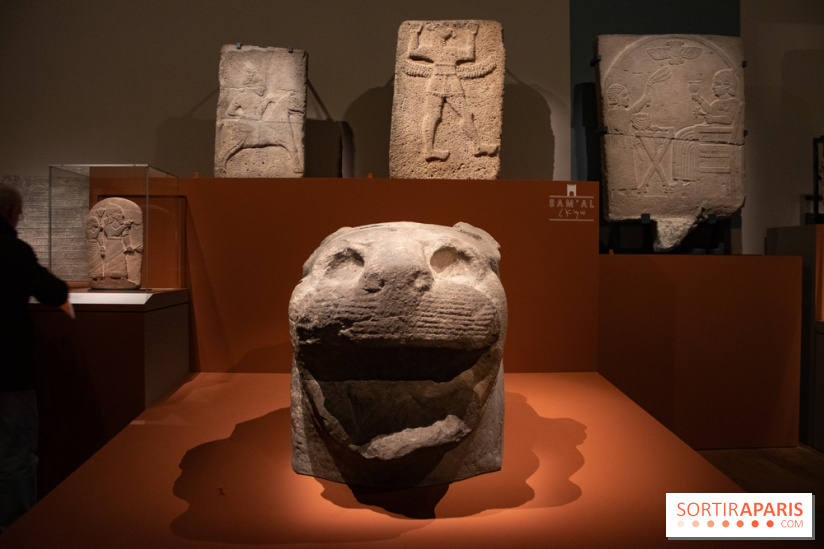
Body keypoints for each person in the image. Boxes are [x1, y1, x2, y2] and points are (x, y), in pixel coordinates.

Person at [0, 183, 71, 530]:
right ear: (12, 213)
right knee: (14, 454)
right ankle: (17, 529)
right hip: (8, 369)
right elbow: (52, 291)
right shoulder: (13, 251)